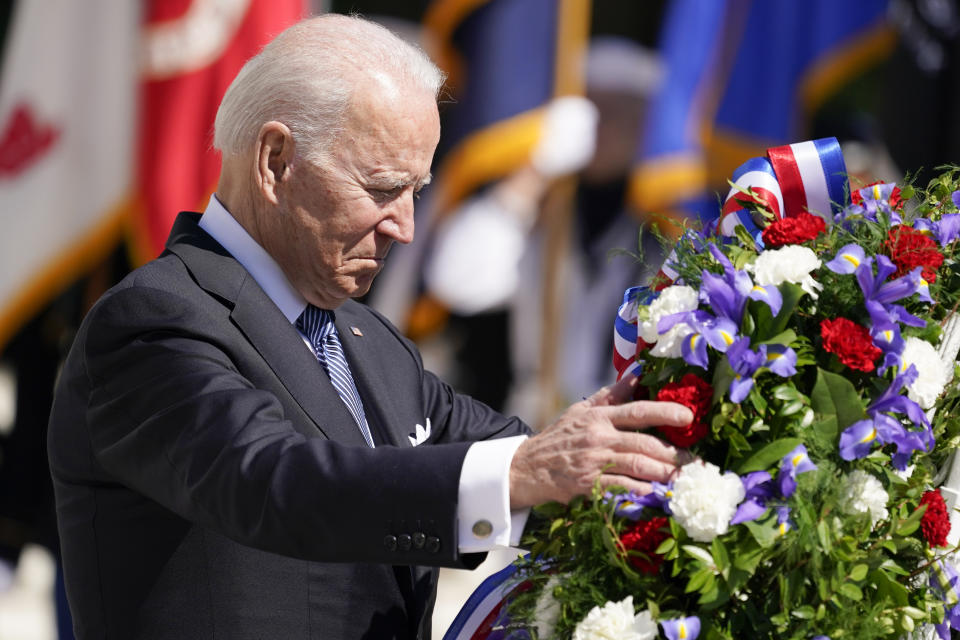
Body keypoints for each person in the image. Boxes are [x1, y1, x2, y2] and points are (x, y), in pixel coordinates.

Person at [47, 14, 692, 640]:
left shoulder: (370, 343)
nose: (405, 227)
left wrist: (690, 456)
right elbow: (274, 480)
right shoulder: (153, 321)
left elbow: (519, 458)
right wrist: (522, 470)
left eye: (416, 191)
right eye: (383, 189)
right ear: (275, 161)